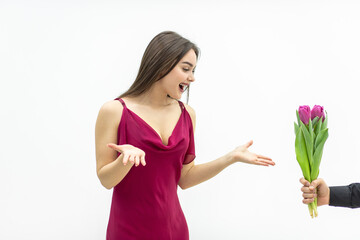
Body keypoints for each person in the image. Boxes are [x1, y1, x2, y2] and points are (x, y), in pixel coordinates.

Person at [95, 31, 275, 240]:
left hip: (174, 229)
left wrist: (230, 158)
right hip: (129, 230)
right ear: (162, 65)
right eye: (186, 69)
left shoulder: (187, 114)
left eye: (193, 70)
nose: (192, 77)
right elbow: (106, 180)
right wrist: (124, 161)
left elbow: (185, 178)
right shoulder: (114, 111)